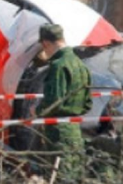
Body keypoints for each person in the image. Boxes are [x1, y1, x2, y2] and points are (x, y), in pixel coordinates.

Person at [36, 23, 92, 182]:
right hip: (75, 131)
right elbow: (88, 104)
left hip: (58, 133)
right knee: (74, 176)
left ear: (45, 43)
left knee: (58, 177)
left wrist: (38, 111)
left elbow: (54, 102)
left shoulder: (58, 65)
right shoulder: (81, 65)